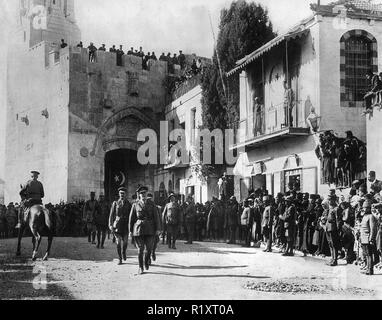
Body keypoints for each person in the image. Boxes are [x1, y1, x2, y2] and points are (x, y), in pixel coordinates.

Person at [129, 186, 160, 275]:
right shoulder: (135, 205)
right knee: (140, 249)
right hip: (139, 229)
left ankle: (146, 261)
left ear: (146, 194)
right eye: (141, 194)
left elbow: (156, 217)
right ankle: (140, 267)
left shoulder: (152, 204)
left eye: (144, 193)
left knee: (149, 249)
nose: (143, 195)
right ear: (139, 195)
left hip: (150, 229)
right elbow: (131, 219)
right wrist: (130, 231)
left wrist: (158, 229)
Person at [109, 188, 131, 265]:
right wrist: (110, 225)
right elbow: (111, 215)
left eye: (123, 193)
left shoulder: (128, 204)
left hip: (125, 226)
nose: (122, 195)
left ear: (126, 194)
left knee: (125, 243)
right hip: (117, 225)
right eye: (121, 193)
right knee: (118, 243)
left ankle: (124, 252)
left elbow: (131, 216)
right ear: (119, 194)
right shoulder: (115, 203)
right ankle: (120, 258)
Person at [360, 200, 378, 275]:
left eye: (365, 208)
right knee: (366, 254)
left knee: (369, 254)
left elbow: (373, 229)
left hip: (368, 238)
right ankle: (367, 268)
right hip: (363, 238)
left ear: (368, 208)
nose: (364, 209)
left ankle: (370, 269)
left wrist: (371, 238)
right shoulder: (364, 216)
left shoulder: (371, 217)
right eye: (363, 208)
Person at [325, 195, 341, 266]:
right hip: (328, 227)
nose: (329, 201)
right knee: (330, 244)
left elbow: (338, 220)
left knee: (334, 244)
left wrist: (338, 229)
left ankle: (335, 260)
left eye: (331, 200)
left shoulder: (336, 209)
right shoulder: (330, 208)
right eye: (329, 200)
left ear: (334, 200)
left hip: (333, 228)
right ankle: (332, 258)